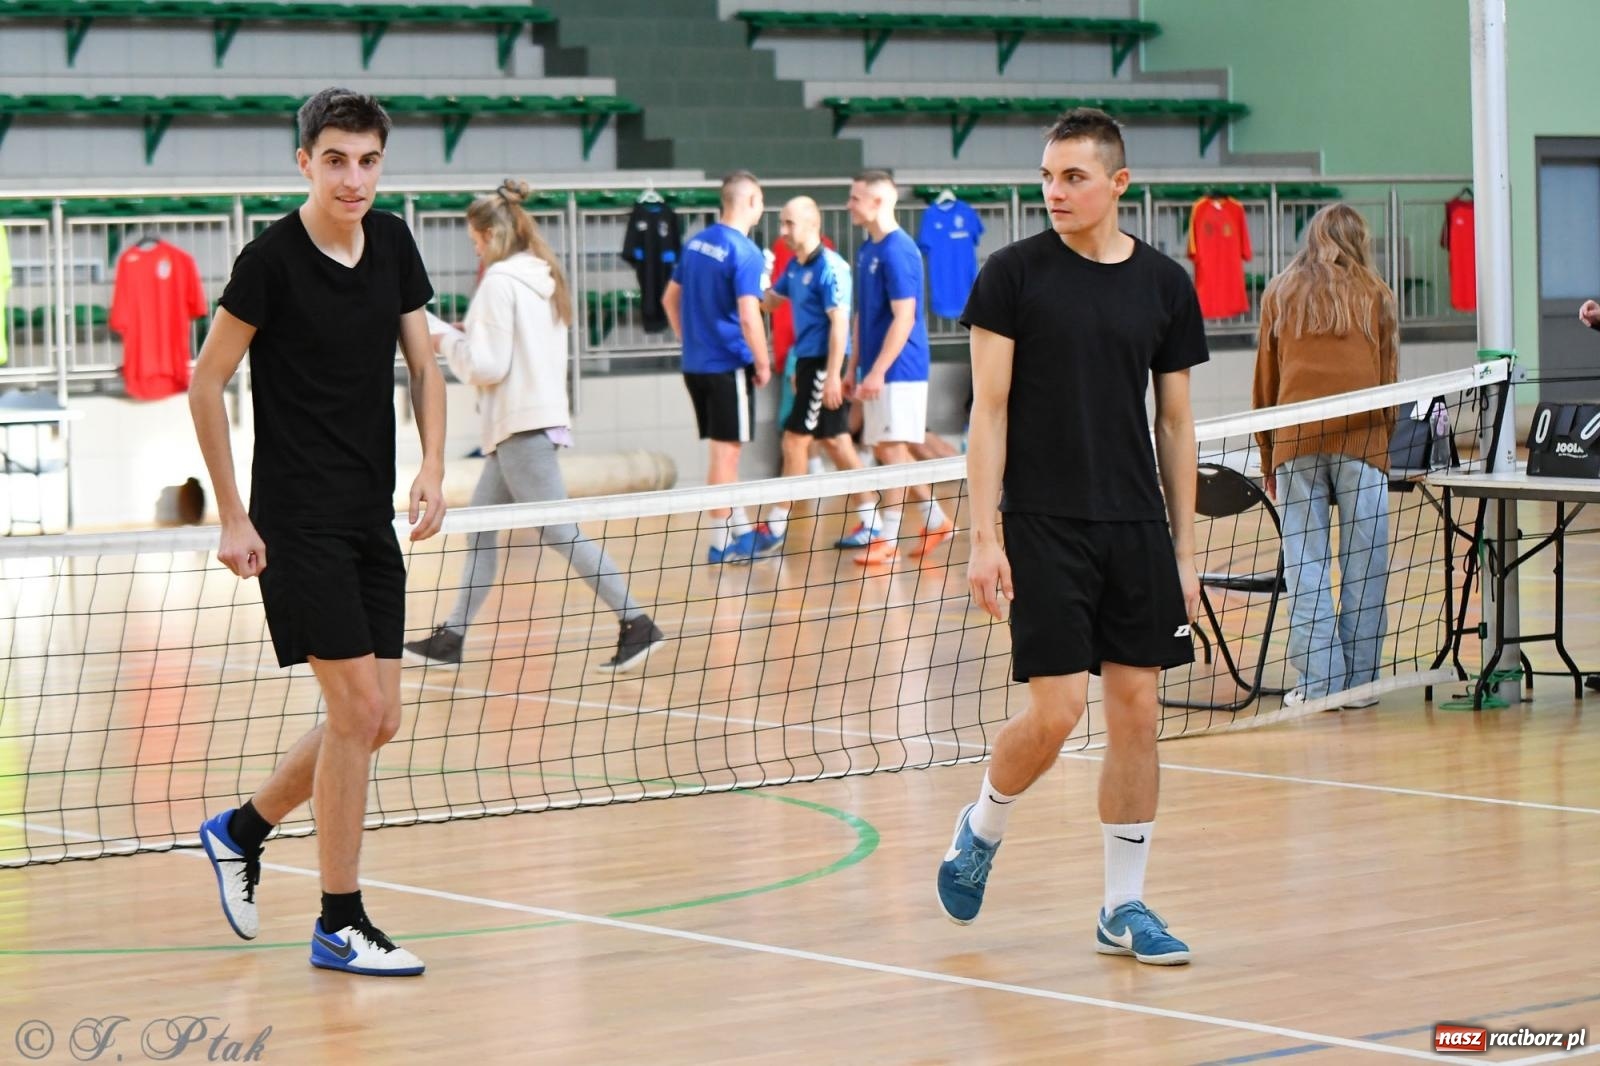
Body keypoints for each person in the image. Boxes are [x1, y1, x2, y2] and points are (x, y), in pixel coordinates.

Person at [940, 108, 1205, 965]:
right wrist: (986, 537)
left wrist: (1185, 552)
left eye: (1074, 178)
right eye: (1048, 177)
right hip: (1043, 523)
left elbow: (1175, 421)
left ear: (1118, 184)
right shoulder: (1010, 276)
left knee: (1137, 711)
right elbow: (989, 412)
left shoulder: (1165, 284)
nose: (1054, 192)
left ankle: (1123, 907)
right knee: (1054, 716)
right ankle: (982, 825)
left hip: (1135, 526)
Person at [190, 88, 445, 977]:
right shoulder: (270, 260)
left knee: (377, 723)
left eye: (369, 160)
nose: (354, 177)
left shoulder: (396, 244)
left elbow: (424, 362)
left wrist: (433, 465)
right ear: (304, 161)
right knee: (358, 712)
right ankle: (340, 922)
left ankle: (240, 831)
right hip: (296, 520)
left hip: (371, 513)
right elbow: (205, 381)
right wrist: (232, 512)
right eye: (335, 159)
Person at [403, 180, 666, 673]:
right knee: (480, 529)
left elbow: (487, 366)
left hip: (521, 429)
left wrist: (441, 338)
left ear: (488, 233)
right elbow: (509, 352)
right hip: (524, 427)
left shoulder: (500, 283)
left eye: (474, 239)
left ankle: (637, 621)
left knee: (561, 533)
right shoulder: (541, 276)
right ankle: (453, 636)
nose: (475, 248)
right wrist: (464, 336)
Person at [1252, 203, 1397, 711]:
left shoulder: (1280, 293)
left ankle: (1319, 687)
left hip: (1295, 442)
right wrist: (1384, 445)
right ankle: (1361, 687)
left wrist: (1268, 457)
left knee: (1306, 565)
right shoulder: (1377, 295)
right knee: (1366, 566)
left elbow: (1265, 384)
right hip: (1364, 443)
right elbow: (1388, 380)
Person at [660, 171, 773, 564]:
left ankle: (739, 530)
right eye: (761, 202)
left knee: (724, 454)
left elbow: (668, 299)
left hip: (696, 365)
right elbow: (748, 314)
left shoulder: (696, 244)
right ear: (751, 201)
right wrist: (762, 359)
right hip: (727, 365)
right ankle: (721, 542)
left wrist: (687, 338)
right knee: (725, 456)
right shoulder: (745, 252)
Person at [844, 170, 953, 564]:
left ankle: (887, 538)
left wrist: (877, 371)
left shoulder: (897, 251)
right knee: (890, 447)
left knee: (890, 449)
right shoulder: (867, 249)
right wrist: (854, 366)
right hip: (875, 367)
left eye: (855, 198)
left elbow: (904, 318)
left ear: (877, 202)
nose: (849, 205)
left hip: (901, 368)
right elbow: (861, 315)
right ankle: (935, 518)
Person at [760, 196, 874, 547]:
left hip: (825, 362)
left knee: (793, 441)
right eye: (781, 223)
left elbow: (840, 324)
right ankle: (872, 522)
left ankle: (775, 527)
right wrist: (759, 275)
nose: (783, 232)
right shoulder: (794, 267)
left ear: (812, 224)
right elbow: (769, 302)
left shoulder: (831, 267)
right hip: (808, 362)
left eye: (789, 224)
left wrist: (832, 376)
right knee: (836, 442)